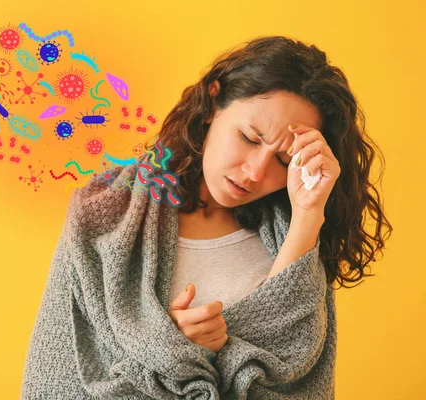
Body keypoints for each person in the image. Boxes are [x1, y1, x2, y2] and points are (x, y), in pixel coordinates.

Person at [20, 35, 393, 399]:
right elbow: (62, 377)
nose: (255, 172)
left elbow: (291, 365)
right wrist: (168, 346)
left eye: (284, 160)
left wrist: (308, 215)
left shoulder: (294, 236)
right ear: (214, 101)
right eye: (249, 138)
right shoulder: (103, 218)